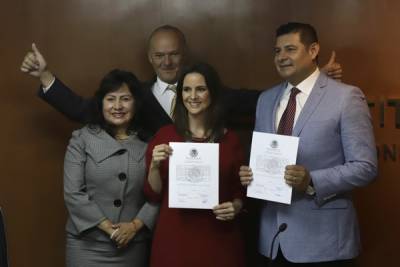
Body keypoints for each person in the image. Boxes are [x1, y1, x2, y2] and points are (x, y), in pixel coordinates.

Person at [20, 25, 343, 139]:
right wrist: (46, 76)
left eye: (173, 54)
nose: (167, 62)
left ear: (183, 54)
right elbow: (82, 110)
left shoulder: (208, 92)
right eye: (159, 56)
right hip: (153, 203)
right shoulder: (135, 96)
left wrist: (315, 77)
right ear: (149, 58)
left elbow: (262, 100)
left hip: (208, 208)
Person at [239, 22, 377, 266]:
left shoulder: (346, 97)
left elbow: (365, 167)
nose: (281, 57)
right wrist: (251, 174)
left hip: (325, 243)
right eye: (277, 51)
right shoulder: (266, 99)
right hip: (273, 242)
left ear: (313, 51)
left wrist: (312, 181)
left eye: (290, 49)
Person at [144, 62, 246, 267]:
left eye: (201, 89)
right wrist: (154, 166)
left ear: (213, 93)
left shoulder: (230, 140)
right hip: (174, 239)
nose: (193, 96)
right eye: (187, 89)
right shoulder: (164, 136)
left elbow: (239, 192)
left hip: (219, 239)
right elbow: (153, 193)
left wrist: (235, 206)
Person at [63, 69, 158, 267]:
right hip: (86, 245)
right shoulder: (82, 139)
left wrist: (133, 227)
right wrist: (110, 229)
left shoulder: (152, 143)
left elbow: (158, 194)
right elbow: (73, 193)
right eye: (110, 99)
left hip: (132, 243)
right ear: (101, 103)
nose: (117, 106)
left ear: (136, 103)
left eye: (125, 99)